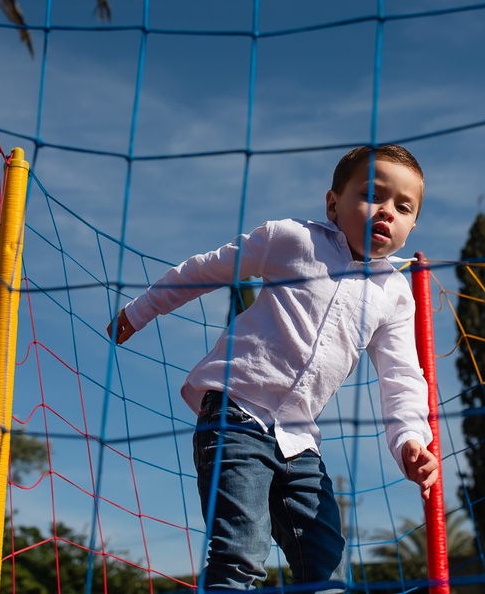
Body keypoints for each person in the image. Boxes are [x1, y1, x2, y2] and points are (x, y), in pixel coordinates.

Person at [107, 144, 439, 592]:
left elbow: (402, 376)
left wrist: (410, 441)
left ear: (413, 225)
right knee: (240, 554)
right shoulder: (293, 240)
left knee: (327, 570)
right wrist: (142, 309)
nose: (386, 212)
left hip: (300, 440)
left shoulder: (395, 294)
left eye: (403, 207)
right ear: (332, 204)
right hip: (235, 414)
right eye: (372, 195)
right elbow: (207, 269)